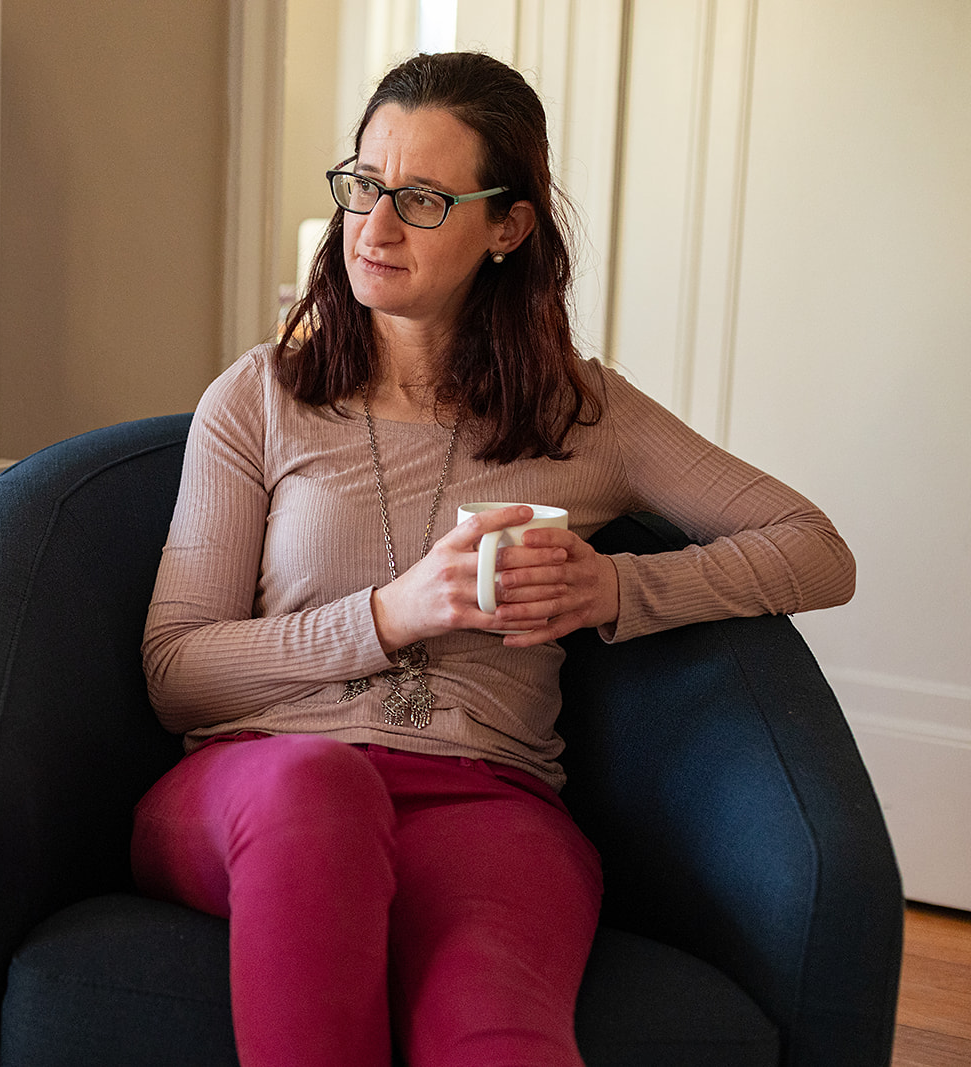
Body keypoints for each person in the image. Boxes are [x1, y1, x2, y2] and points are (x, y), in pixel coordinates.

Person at [130, 51, 855, 1067]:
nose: (372, 228)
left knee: (497, 1040)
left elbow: (815, 549)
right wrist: (392, 613)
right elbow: (176, 671)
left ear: (506, 226)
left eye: (421, 199)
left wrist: (613, 588)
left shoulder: (584, 414)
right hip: (256, 781)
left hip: (483, 797)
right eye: (363, 187)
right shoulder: (260, 396)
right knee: (315, 791)